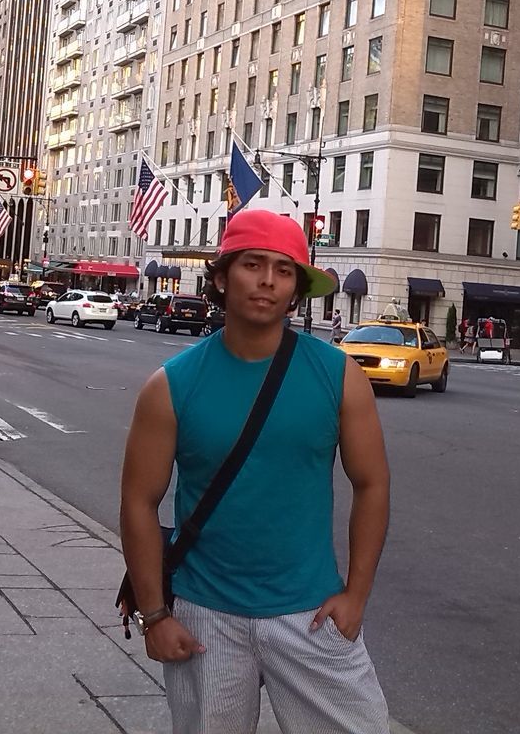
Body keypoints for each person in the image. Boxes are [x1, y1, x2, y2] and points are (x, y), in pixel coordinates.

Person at [120, 208, 391, 734]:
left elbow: (372, 483)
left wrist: (356, 594)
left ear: (296, 288)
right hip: (204, 615)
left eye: (284, 270)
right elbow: (137, 500)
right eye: (252, 264)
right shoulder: (172, 384)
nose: (268, 280)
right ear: (221, 277)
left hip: (310, 613)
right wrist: (154, 614)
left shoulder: (340, 375)